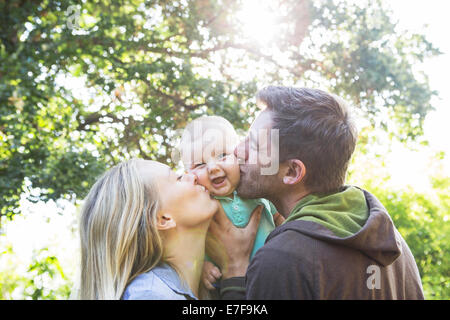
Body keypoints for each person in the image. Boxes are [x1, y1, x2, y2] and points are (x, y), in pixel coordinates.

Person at [209, 86, 425, 299]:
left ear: (292, 172)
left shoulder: (282, 259)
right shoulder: (391, 244)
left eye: (254, 146)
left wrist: (235, 272)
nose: (238, 151)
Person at [76, 158, 260, 300]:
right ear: (163, 219)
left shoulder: (204, 285)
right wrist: (236, 269)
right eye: (179, 178)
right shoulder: (150, 294)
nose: (193, 176)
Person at [179, 115, 284, 292]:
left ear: (238, 156)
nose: (213, 167)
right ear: (189, 174)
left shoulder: (257, 191)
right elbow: (185, 246)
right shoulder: (199, 205)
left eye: (222, 155)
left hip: (272, 278)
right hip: (231, 286)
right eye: (200, 164)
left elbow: (280, 219)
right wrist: (201, 266)